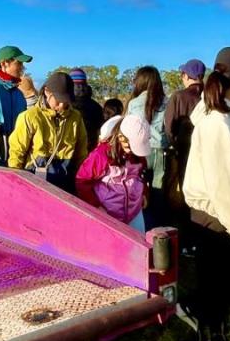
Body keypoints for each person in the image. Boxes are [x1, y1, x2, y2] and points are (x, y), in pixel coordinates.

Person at [183, 47, 230, 341]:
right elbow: (226, 184)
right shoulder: (220, 123)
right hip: (217, 213)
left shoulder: (217, 114)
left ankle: (209, 326)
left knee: (211, 277)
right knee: (220, 281)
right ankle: (210, 333)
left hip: (209, 212)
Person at [7, 71, 88, 192]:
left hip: (65, 181)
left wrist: (80, 179)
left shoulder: (76, 117)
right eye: (59, 100)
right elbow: (17, 152)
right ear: (47, 91)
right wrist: (15, 182)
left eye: (66, 101)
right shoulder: (29, 117)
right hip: (34, 179)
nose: (62, 105)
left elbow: (81, 152)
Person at [75, 114, 151, 230]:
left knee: (139, 240)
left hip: (134, 210)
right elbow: (82, 181)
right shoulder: (101, 155)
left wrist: (144, 192)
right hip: (108, 214)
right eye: (132, 147)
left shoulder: (137, 155)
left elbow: (140, 175)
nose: (134, 152)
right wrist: (95, 206)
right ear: (121, 138)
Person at [162, 59, 206, 234]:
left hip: (185, 152)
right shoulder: (210, 96)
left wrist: (175, 145)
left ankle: (188, 232)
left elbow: (168, 127)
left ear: (186, 76)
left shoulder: (178, 96)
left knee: (187, 191)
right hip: (206, 153)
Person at [127, 66, 168, 228]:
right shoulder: (165, 101)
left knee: (139, 187)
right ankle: (158, 227)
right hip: (159, 150)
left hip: (139, 149)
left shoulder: (133, 103)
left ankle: (142, 223)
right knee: (158, 190)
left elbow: (129, 127)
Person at [68, 68, 105, 145]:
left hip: (89, 147)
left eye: (83, 84)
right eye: (77, 85)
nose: (80, 87)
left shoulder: (95, 107)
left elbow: (101, 129)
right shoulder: (63, 105)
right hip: (69, 148)